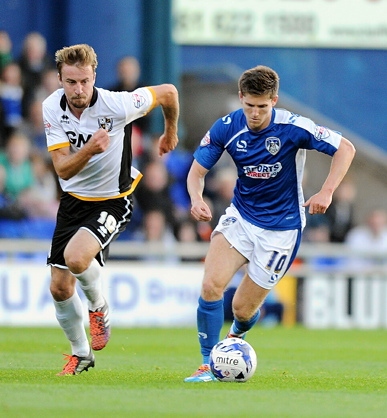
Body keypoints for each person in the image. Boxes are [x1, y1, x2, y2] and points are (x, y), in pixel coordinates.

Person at [184, 65, 355, 382]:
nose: (255, 113)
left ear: (274, 101)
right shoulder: (227, 126)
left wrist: (327, 191)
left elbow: (345, 148)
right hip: (241, 217)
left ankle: (237, 335)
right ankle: (208, 364)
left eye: (262, 107)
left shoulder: (294, 127)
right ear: (240, 98)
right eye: (249, 105)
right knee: (210, 286)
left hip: (282, 229)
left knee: (241, 310)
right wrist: (196, 199)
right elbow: (196, 173)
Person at [42, 44, 179, 376]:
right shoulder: (51, 108)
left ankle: (99, 306)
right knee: (59, 287)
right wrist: (90, 149)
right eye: (71, 82)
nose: (78, 90)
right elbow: (62, 169)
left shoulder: (117, 104)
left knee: (77, 258)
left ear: (94, 77)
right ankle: (81, 354)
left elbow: (169, 93)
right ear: (60, 79)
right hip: (73, 200)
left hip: (114, 199)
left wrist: (170, 131)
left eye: (84, 81)